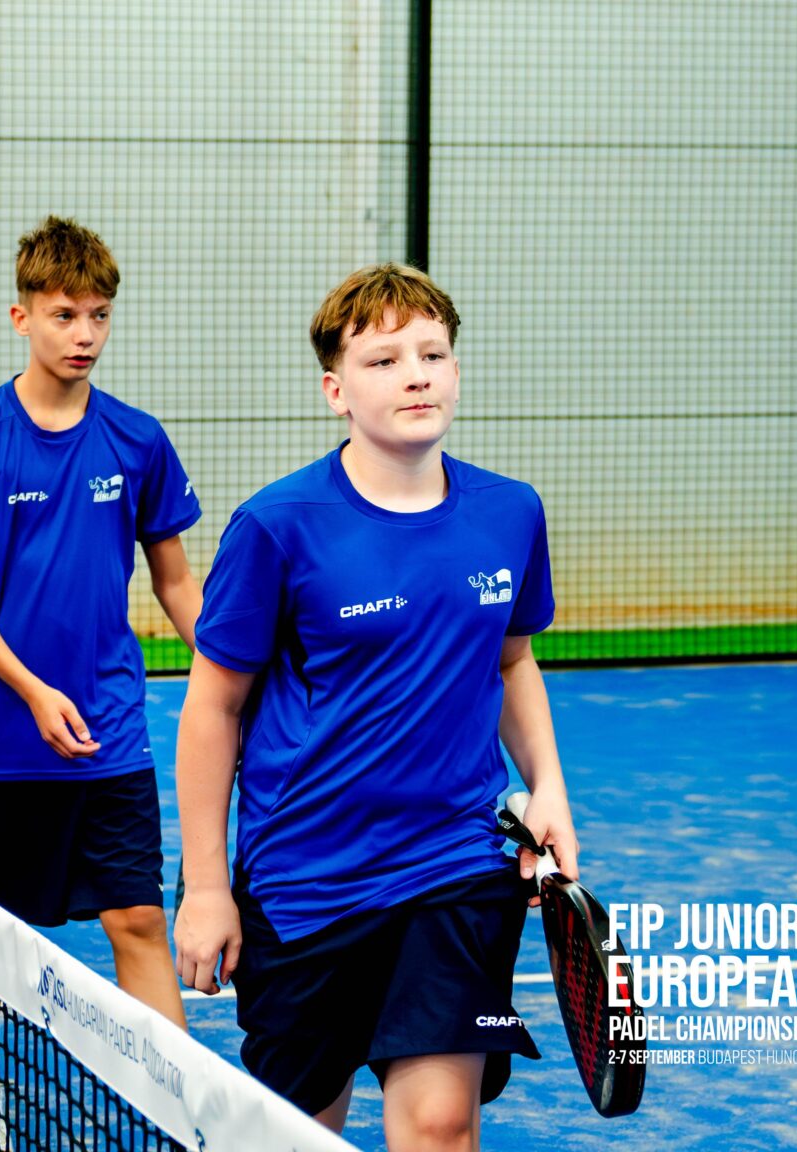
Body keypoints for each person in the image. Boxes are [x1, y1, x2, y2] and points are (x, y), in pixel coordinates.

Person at [173, 262, 576, 1151]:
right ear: (336, 391)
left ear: (457, 371)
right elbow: (212, 710)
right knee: (298, 1133)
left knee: (440, 1124)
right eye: (385, 360)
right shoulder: (277, 526)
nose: (416, 376)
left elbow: (512, 659)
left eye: (433, 354)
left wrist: (547, 785)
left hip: (454, 865)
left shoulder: (511, 512)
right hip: (305, 883)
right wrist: (204, 887)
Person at [0, 215, 202, 1149]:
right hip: (2, 736)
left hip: (112, 724)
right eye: (65, 315)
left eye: (99, 316)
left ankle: (179, 1109)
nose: (84, 334)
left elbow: (175, 581)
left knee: (139, 917)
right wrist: (32, 691)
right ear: (21, 316)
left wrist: (229, 673)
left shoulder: (137, 440)